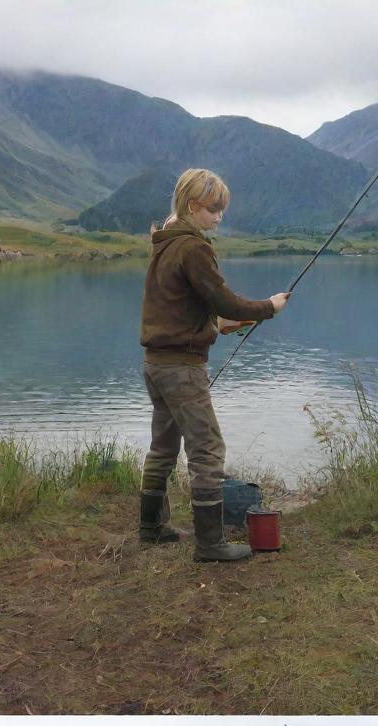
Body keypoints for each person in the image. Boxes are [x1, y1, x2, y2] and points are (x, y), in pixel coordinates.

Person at [139, 167, 289, 561]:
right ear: (192, 207)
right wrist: (268, 308)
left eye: (221, 209)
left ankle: (150, 527)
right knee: (207, 450)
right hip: (181, 370)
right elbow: (225, 300)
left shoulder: (164, 245)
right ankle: (209, 545)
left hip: (156, 364)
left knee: (163, 448)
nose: (219, 216)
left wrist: (219, 325)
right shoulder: (193, 247)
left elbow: (184, 308)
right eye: (212, 209)